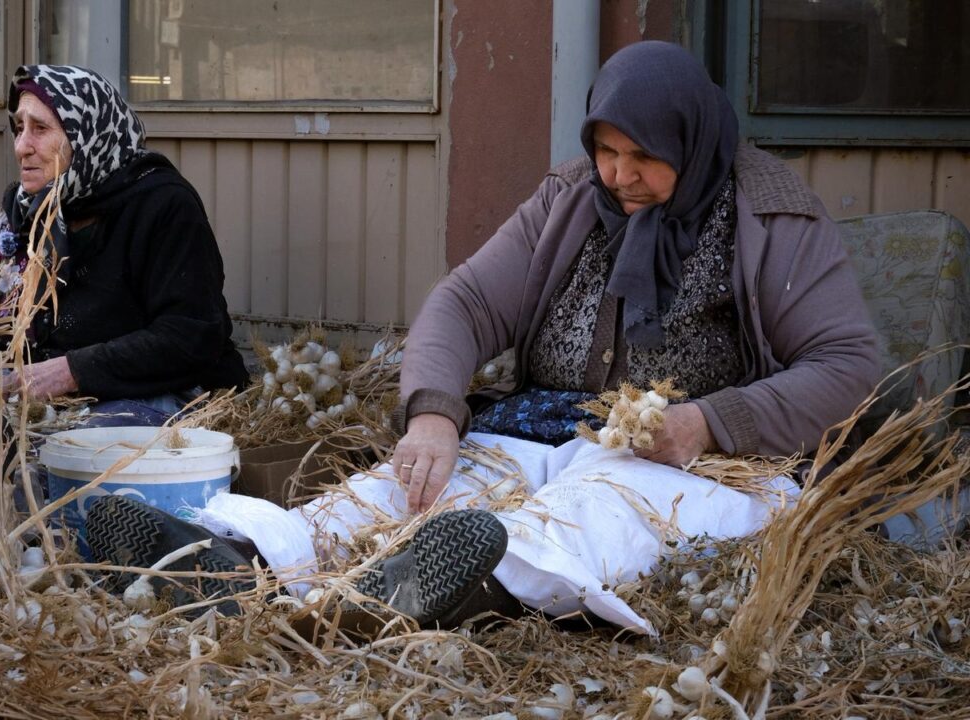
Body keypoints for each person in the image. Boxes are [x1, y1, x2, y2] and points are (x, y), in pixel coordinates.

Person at [83, 42, 882, 632]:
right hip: (547, 425)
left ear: (694, 147)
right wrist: (432, 414)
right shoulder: (571, 200)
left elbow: (848, 363)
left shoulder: (772, 215)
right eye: (605, 150)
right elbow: (466, 302)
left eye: (645, 157)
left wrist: (707, 422)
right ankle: (232, 558)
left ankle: (430, 591)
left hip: (701, 464)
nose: (618, 176)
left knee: (588, 514)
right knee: (410, 486)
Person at [0, 64, 248, 556]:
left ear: (87, 134)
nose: (22, 146)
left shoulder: (162, 207)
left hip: (155, 395)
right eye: (19, 128)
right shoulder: (25, 211)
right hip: (50, 401)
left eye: (41, 129)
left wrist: (71, 371)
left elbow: (192, 335)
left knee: (53, 468)